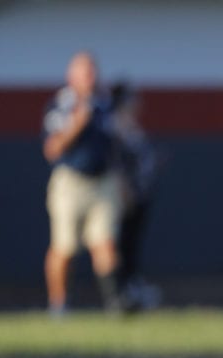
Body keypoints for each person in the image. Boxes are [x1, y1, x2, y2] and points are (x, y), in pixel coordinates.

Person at [42, 51, 124, 315]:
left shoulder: (105, 105)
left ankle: (115, 304)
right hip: (71, 183)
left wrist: (121, 179)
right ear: (71, 76)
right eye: (84, 72)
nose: (90, 77)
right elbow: (52, 148)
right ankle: (59, 304)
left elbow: (113, 146)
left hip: (103, 182)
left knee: (106, 243)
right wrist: (77, 123)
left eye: (93, 71)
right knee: (64, 248)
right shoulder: (62, 105)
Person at [110, 80, 161, 312]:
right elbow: (115, 161)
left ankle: (133, 285)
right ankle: (121, 292)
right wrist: (124, 188)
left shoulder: (132, 126)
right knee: (121, 244)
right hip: (125, 196)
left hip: (141, 194)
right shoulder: (114, 126)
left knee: (134, 243)